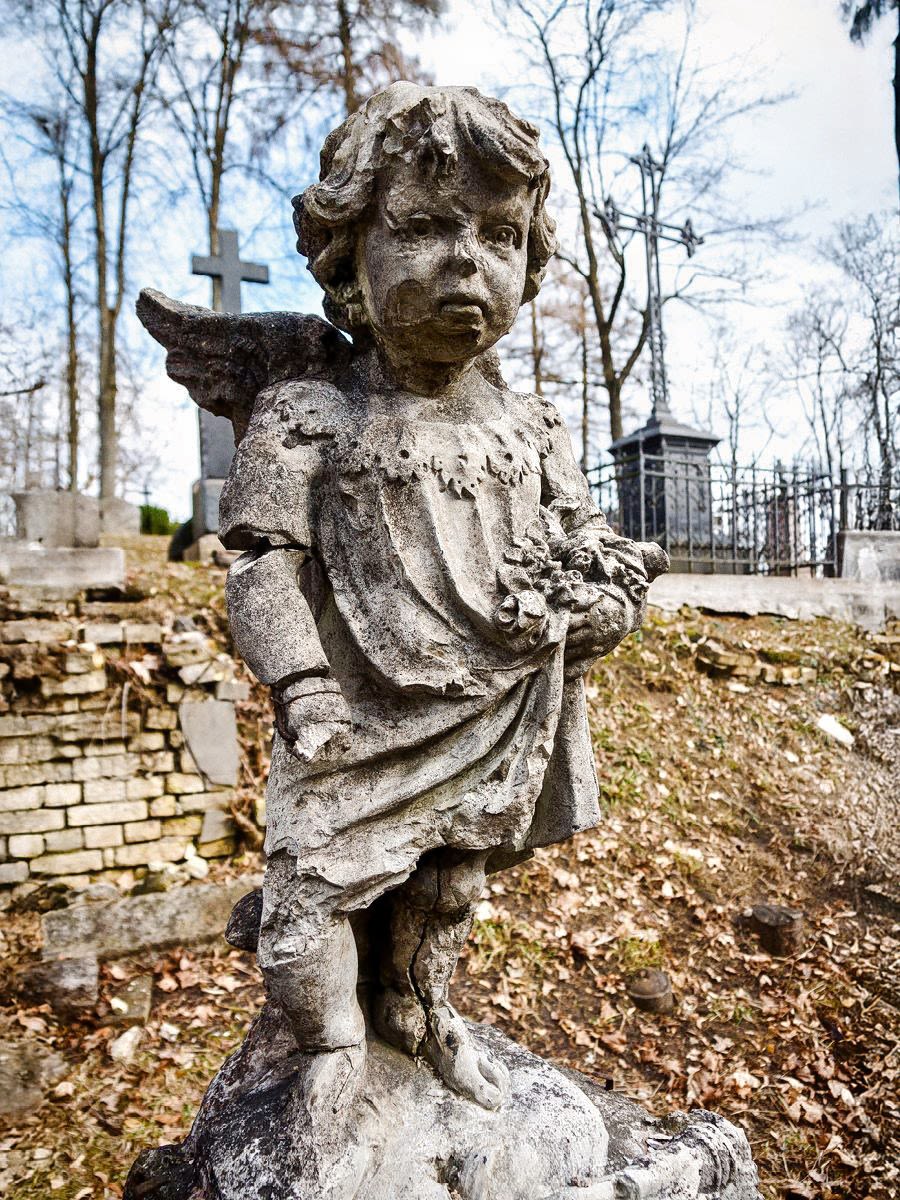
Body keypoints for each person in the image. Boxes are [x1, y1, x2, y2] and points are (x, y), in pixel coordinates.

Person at [217, 82, 667, 1121]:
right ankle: (327, 1058)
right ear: (346, 254)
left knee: (449, 886)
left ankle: (420, 1017)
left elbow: (585, 548)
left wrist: (607, 602)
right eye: (422, 227)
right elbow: (260, 569)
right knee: (307, 913)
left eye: (502, 233)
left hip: (490, 703)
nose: (468, 260)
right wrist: (303, 686)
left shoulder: (535, 429)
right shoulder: (310, 415)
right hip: (350, 721)